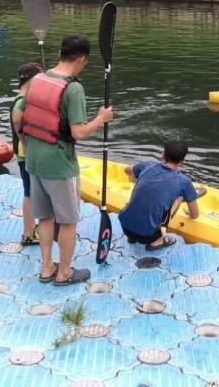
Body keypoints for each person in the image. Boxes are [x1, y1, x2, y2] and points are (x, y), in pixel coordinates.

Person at [12, 35, 113, 286]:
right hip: (59, 164)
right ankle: (64, 272)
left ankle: (46, 267)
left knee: (45, 217)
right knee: (68, 221)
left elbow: (18, 119)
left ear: (59, 52)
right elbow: (78, 132)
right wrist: (101, 118)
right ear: (82, 60)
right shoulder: (73, 88)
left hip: (33, 160)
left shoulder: (37, 79)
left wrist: (27, 147)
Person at [118, 139, 201, 250]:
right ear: (183, 162)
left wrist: (135, 176)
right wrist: (189, 213)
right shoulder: (183, 181)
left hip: (124, 226)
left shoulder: (148, 166)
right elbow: (195, 215)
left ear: (162, 154)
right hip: (147, 236)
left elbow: (127, 169)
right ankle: (157, 241)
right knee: (180, 198)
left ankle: (132, 237)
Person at [11, 62, 44, 247]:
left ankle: (31, 229)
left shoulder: (23, 98)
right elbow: (18, 123)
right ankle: (28, 232)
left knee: (30, 191)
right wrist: (25, 143)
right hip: (26, 154)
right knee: (29, 193)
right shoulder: (21, 102)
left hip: (25, 153)